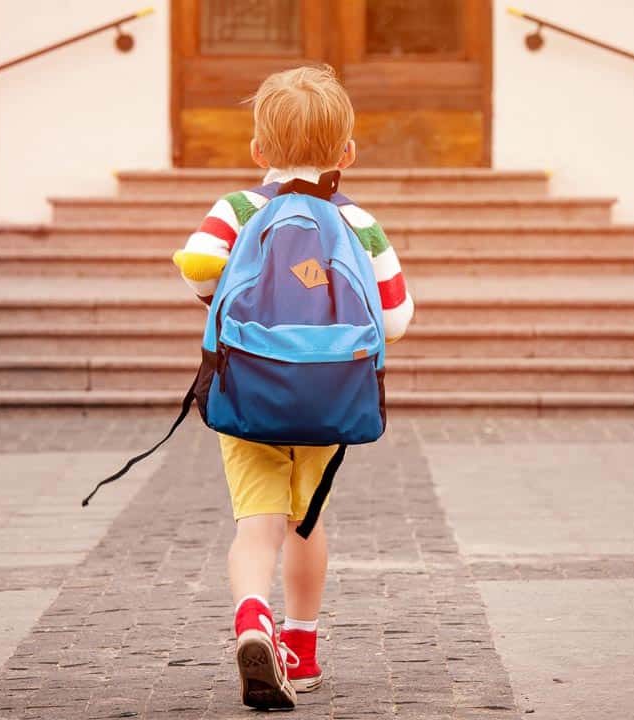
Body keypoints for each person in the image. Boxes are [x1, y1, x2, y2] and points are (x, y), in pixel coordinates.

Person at [171, 64, 415, 710]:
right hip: (328, 399)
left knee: (256, 528)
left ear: (257, 152)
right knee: (306, 524)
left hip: (248, 393)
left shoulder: (238, 208)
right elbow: (395, 317)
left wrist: (226, 298)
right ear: (347, 153)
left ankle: (254, 619)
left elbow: (197, 266)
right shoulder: (358, 221)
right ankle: (301, 650)